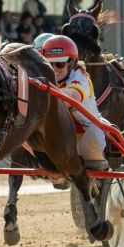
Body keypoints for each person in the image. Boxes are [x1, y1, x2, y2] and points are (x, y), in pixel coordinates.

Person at [40, 35, 108, 170]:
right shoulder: (46, 77)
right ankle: (51, 167)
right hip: (66, 139)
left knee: (94, 133)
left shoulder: (80, 78)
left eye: (59, 64)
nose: (54, 69)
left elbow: (69, 98)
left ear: (72, 62)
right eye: (49, 64)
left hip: (89, 137)